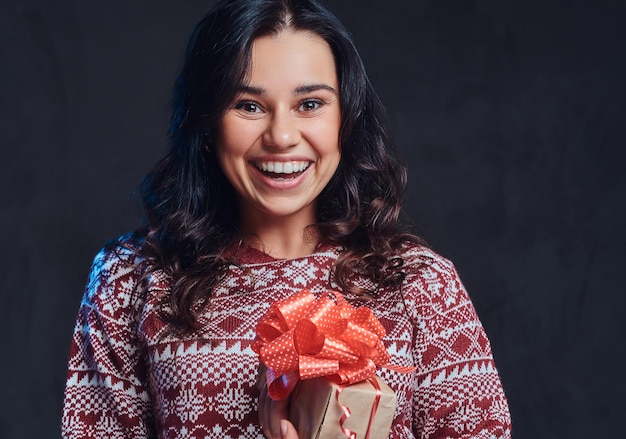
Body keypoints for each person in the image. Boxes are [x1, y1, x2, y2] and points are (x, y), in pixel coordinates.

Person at [62, 0, 512, 438]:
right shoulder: (129, 277)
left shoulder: (421, 284)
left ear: (346, 118)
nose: (280, 136)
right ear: (207, 122)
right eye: (249, 105)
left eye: (310, 104)